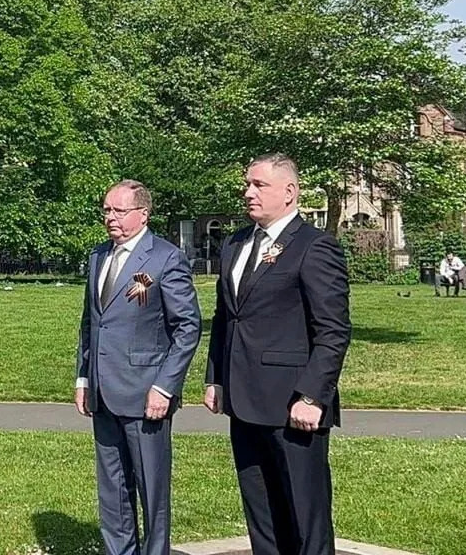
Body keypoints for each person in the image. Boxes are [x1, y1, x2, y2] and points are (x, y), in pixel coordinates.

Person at [204, 154, 352, 555]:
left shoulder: (315, 248)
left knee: (305, 516)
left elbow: (333, 331)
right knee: (262, 515)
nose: (248, 192)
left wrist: (312, 396)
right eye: (247, 185)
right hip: (243, 399)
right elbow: (225, 316)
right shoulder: (235, 244)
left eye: (258, 185)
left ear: (289, 192)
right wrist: (215, 376)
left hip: (293, 404)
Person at [76, 179, 202, 555]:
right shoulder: (99, 256)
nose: (110, 218)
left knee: (152, 489)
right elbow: (90, 322)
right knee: (112, 490)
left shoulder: (165, 258)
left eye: (119, 211)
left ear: (142, 214)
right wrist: (83, 377)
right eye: (106, 211)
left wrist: (165, 386)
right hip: (102, 392)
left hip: (146, 393)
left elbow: (187, 326)